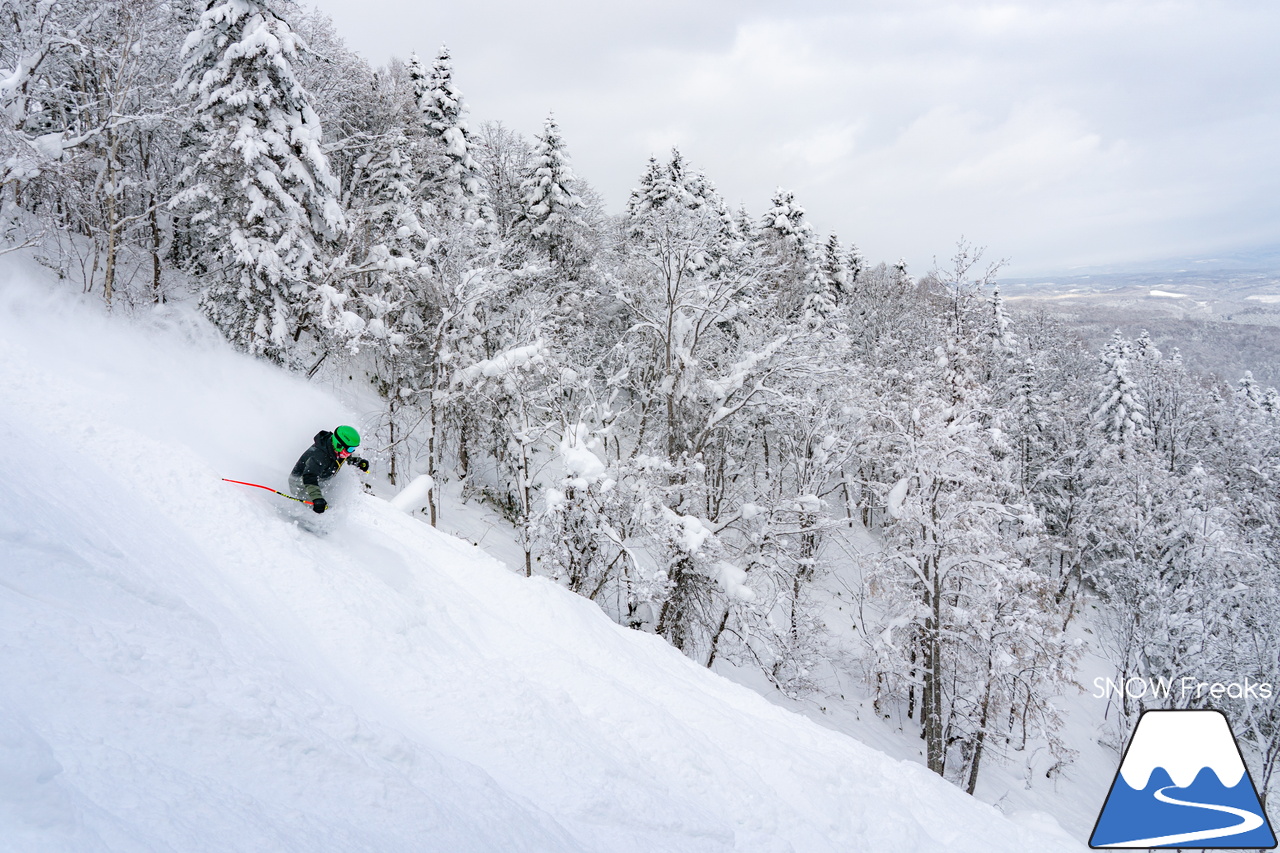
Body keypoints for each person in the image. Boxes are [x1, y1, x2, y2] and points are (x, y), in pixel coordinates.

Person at [289, 425, 369, 514]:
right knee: (320, 508)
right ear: (339, 445)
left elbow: (346, 456)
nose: (351, 452)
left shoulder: (337, 449)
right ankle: (306, 519)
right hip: (301, 484)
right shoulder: (319, 456)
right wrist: (317, 498)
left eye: (353, 449)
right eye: (350, 449)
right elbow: (309, 477)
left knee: (329, 505)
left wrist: (358, 462)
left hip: (319, 480)